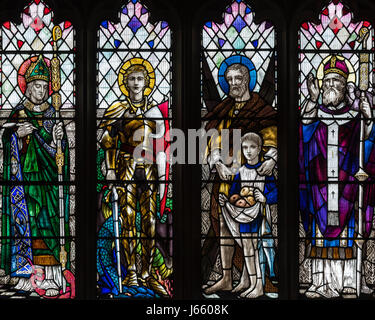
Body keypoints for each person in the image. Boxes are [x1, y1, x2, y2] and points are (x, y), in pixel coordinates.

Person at [299, 55, 375, 298]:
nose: (331, 86)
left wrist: (369, 120)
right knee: (319, 236)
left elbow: (366, 146)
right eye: (327, 81)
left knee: (350, 234)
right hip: (319, 185)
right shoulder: (315, 113)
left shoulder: (354, 119)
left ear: (346, 88)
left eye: (337, 82)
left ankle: (350, 281)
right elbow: (303, 136)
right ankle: (320, 284)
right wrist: (311, 101)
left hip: (347, 188)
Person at [202, 61, 278, 295]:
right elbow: (212, 137)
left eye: (237, 78)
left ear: (247, 80)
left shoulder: (261, 108)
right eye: (229, 79)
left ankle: (251, 279)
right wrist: (216, 161)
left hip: (250, 178)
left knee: (249, 231)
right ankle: (226, 278)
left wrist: (272, 158)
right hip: (226, 176)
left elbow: (271, 134)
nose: (232, 83)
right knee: (223, 226)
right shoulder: (223, 109)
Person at [0, 55, 70, 297]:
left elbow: (59, 155)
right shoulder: (18, 114)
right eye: (36, 86)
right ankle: (25, 276)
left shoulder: (53, 113)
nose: (40, 91)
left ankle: (51, 276)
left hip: (48, 185)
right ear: (27, 87)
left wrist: (58, 139)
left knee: (47, 226)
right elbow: (7, 143)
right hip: (26, 185)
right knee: (26, 224)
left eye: (43, 86)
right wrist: (17, 136)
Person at [99, 59, 169, 297]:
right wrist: (109, 168)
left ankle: (147, 273)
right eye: (132, 79)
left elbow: (162, 144)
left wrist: (163, 177)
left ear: (146, 83)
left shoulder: (154, 112)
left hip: (148, 167)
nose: (136, 83)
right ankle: (131, 271)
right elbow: (108, 140)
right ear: (125, 83)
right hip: (125, 166)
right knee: (128, 219)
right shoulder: (118, 110)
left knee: (148, 222)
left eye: (140, 79)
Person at [216, 132, 277, 298]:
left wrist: (265, 198)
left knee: (254, 249)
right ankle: (251, 283)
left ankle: (258, 286)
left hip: (260, 215)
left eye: (252, 147)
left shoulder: (265, 170)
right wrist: (227, 201)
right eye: (245, 148)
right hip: (244, 215)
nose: (248, 151)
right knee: (248, 249)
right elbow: (235, 194)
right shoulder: (241, 171)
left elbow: (276, 192)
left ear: (259, 149)